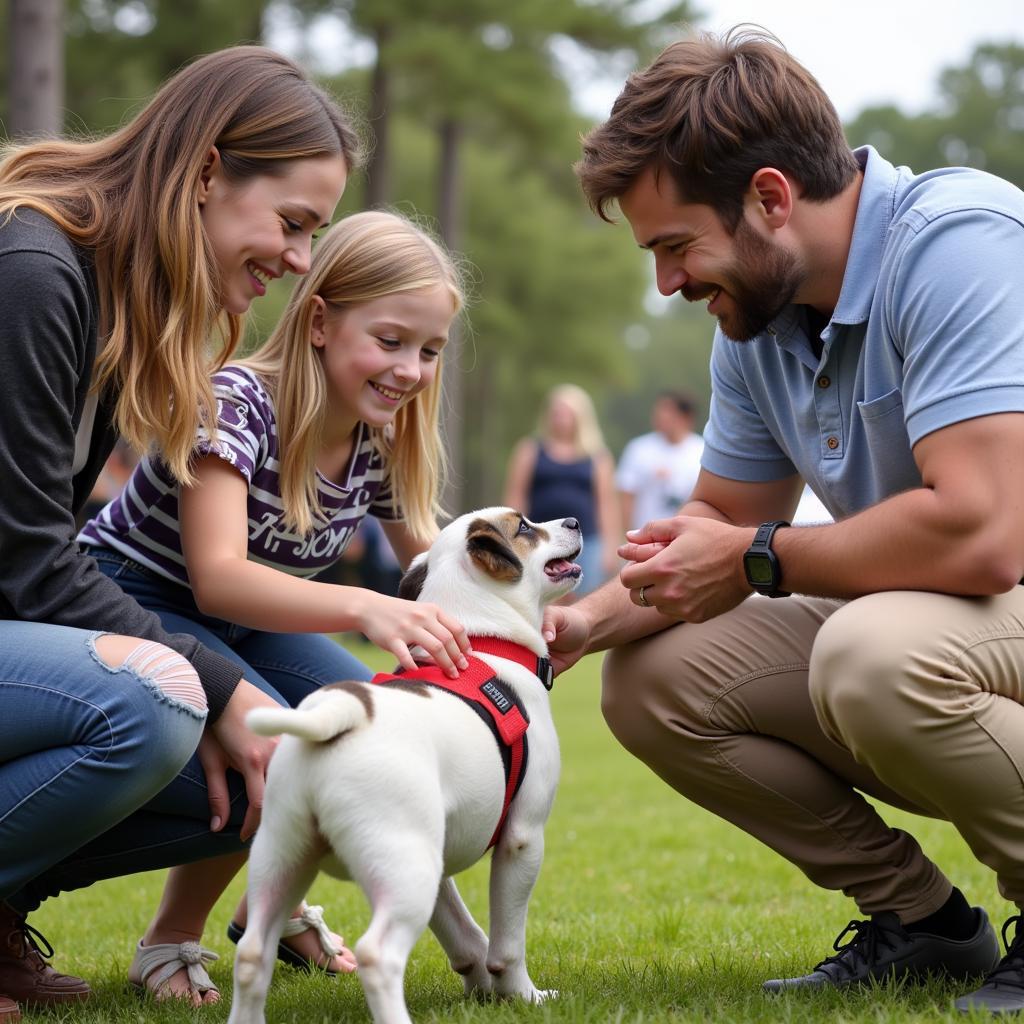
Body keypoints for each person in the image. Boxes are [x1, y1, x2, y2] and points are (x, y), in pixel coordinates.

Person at [553, 25, 1024, 1014]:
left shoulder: (958, 243)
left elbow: (986, 536)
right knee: (653, 680)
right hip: (943, 624)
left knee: (872, 653)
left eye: (676, 246)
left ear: (770, 197)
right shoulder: (760, 321)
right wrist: (580, 626)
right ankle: (924, 927)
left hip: (980, 598)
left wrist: (763, 557)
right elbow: (712, 529)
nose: (667, 284)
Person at [0, 45, 358, 1022]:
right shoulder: (33, 270)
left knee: (294, 756)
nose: (296, 260)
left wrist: (231, 698)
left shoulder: (114, 293)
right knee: (155, 705)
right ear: (206, 171)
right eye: (290, 224)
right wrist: (217, 684)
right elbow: (30, 562)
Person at [78, 209, 469, 1003]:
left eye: (429, 351)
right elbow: (218, 575)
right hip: (130, 600)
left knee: (355, 721)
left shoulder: (380, 434)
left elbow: (432, 563)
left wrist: (501, 626)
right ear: (319, 321)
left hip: (244, 620)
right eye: (390, 341)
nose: (410, 369)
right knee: (271, 739)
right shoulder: (236, 403)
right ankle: (169, 939)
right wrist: (364, 608)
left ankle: (277, 908)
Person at [503, 383, 620, 597]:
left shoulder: (597, 457)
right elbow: (516, 496)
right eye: (556, 412)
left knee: (583, 600)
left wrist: (610, 547)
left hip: (587, 543)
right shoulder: (529, 450)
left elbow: (606, 504)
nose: (561, 418)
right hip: (540, 539)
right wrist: (511, 538)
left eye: (567, 413)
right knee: (541, 597)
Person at [615, 390, 704, 532]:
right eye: (659, 410)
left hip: (687, 537)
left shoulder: (702, 451)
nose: (661, 416)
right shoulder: (638, 449)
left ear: (686, 417)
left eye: (669, 411)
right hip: (644, 536)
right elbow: (626, 495)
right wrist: (626, 534)